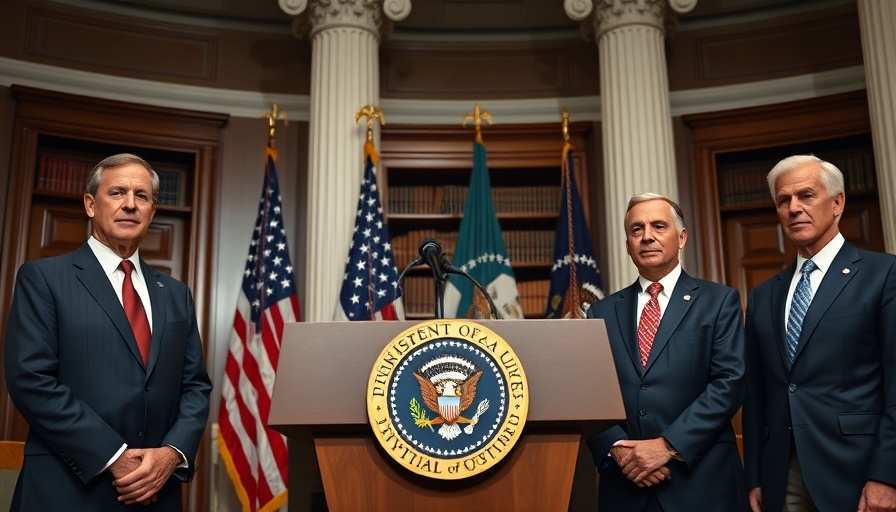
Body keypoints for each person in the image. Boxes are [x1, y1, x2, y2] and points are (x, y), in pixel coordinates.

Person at [4, 153, 213, 510]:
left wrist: (171, 454)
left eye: (142, 196)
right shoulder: (43, 278)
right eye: (117, 192)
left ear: (152, 211)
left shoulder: (177, 294)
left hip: (155, 492)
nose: (130, 204)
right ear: (90, 204)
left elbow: (195, 386)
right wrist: (113, 455)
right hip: (68, 490)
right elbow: (31, 379)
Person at [742, 155, 896, 512]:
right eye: (784, 201)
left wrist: (887, 475)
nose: (794, 208)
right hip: (782, 473)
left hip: (860, 470)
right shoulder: (764, 295)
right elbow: (756, 395)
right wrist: (755, 476)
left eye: (806, 196)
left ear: (837, 203)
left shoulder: (883, 274)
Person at [586, 193, 748, 511]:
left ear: (682, 237)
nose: (647, 236)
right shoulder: (601, 312)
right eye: (636, 229)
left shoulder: (719, 302)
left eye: (658, 226)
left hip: (702, 483)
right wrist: (617, 447)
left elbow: (729, 382)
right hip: (626, 485)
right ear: (628, 243)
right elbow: (590, 391)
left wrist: (667, 446)